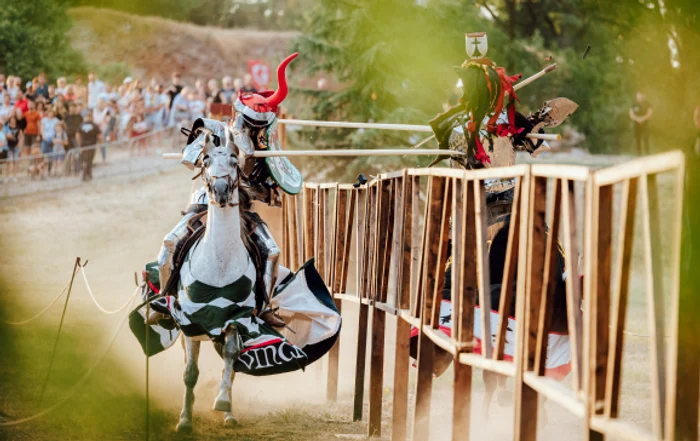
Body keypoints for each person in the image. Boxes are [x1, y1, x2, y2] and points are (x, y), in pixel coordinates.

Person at [76, 112, 102, 181]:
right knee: (89, 161)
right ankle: (87, 174)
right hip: (91, 145)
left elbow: (78, 135)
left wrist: (79, 144)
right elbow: (100, 136)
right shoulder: (94, 125)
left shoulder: (81, 125)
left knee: (85, 161)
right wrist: (101, 144)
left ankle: (86, 175)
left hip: (84, 145)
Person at [64, 103, 83, 174]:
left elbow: (81, 126)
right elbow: (64, 125)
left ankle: (77, 169)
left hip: (76, 137)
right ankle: (68, 170)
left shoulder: (79, 117)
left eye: (73, 107)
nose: (71, 109)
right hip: (68, 137)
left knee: (77, 153)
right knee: (68, 154)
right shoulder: (66, 117)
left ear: (75, 108)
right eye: (70, 107)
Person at [3, 115, 22, 181]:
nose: (13, 120)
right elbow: (5, 135)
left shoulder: (18, 127)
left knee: (15, 161)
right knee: (8, 161)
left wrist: (19, 143)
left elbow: (20, 136)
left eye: (14, 119)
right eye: (11, 119)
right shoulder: (6, 127)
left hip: (16, 146)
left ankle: (14, 176)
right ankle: (7, 176)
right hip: (8, 145)